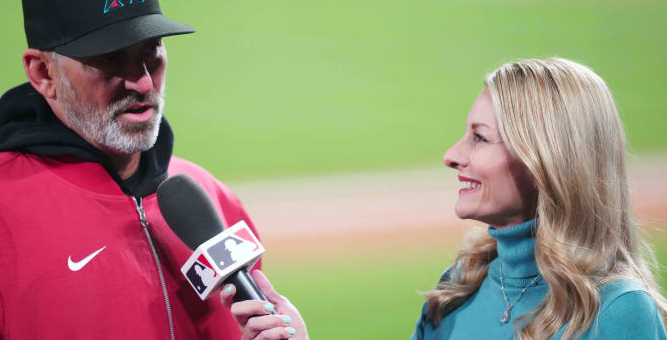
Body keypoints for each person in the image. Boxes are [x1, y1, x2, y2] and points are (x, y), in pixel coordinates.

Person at [222, 58, 667, 339]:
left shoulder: (618, 312)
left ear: (543, 162)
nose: (452, 155)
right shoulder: (461, 286)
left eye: (480, 138)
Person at [0, 0, 261, 339]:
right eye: (111, 59)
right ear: (43, 72)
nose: (143, 82)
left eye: (153, 53)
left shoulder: (209, 200)